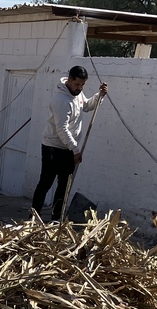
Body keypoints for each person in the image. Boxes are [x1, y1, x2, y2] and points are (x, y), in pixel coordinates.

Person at [31, 65, 108, 222]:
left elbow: (86, 106)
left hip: (68, 149)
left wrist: (99, 95)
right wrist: (76, 150)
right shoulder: (61, 100)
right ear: (69, 80)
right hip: (53, 148)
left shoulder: (77, 95)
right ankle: (33, 218)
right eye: (77, 84)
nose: (79, 88)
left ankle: (55, 220)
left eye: (82, 85)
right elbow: (61, 129)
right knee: (45, 183)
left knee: (64, 186)